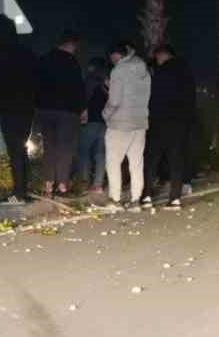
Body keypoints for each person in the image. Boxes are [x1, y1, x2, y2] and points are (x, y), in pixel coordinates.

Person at [0, 15, 39, 205]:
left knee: (15, 150)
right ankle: (22, 191)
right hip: (26, 108)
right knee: (21, 149)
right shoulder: (26, 52)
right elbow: (36, 79)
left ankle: (18, 193)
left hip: (9, 108)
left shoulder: (3, 54)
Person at [34, 31, 86, 197]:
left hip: (46, 110)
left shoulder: (44, 59)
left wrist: (38, 105)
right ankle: (62, 184)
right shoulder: (72, 61)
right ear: (70, 45)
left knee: (49, 146)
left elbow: (36, 84)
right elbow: (78, 87)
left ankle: (48, 184)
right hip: (67, 111)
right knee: (65, 147)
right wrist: (83, 109)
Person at [145, 43, 196, 209]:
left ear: (161, 55)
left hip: (161, 122)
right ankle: (175, 198)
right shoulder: (187, 72)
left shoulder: (162, 73)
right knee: (176, 160)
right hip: (180, 123)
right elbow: (191, 100)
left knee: (152, 159)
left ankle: (147, 196)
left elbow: (155, 98)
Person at [103, 39, 151, 210]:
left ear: (116, 55)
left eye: (112, 58)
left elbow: (115, 100)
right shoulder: (144, 70)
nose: (112, 61)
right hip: (140, 123)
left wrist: (105, 114)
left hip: (120, 123)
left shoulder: (119, 70)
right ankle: (135, 201)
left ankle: (115, 200)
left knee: (113, 161)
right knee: (136, 163)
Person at [76, 57, 109, 196]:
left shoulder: (89, 81)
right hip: (105, 122)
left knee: (84, 153)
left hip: (89, 122)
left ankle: (84, 183)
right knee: (101, 154)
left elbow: (82, 100)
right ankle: (98, 185)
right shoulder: (108, 83)